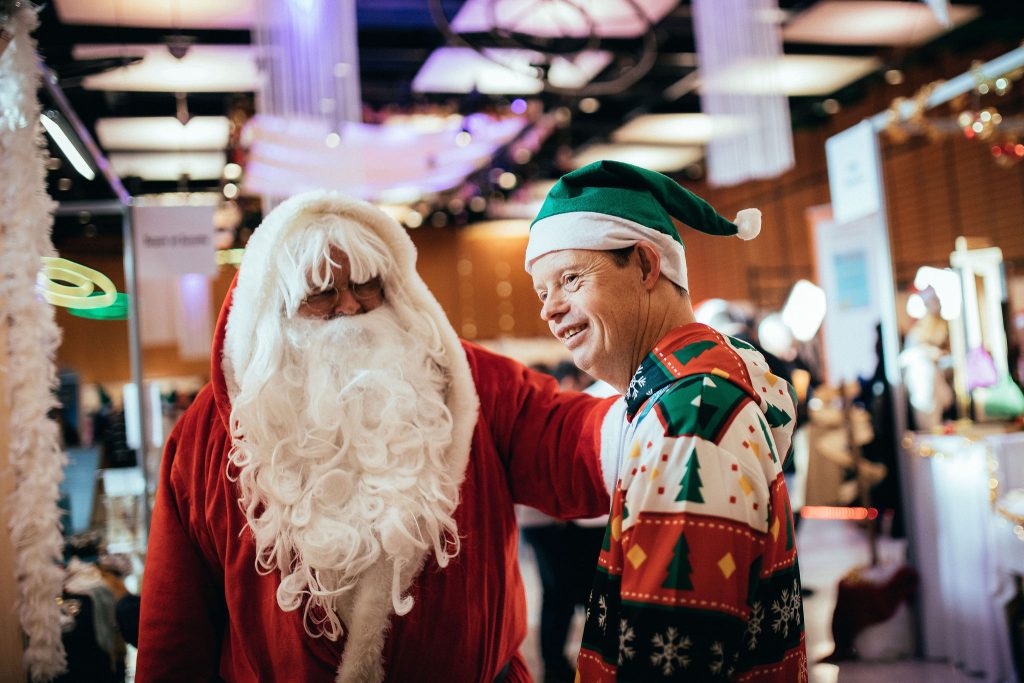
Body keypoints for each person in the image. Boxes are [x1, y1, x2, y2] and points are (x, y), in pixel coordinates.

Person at [136, 191, 622, 682]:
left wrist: (663, 413)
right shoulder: (209, 434)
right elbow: (176, 622)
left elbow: (572, 440)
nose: (349, 306)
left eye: (367, 285)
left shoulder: (468, 380)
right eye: (322, 291)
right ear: (275, 308)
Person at [526, 160, 807, 681]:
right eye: (542, 291)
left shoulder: (687, 419)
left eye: (569, 279)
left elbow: (675, 654)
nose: (550, 309)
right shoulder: (678, 395)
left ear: (646, 265)